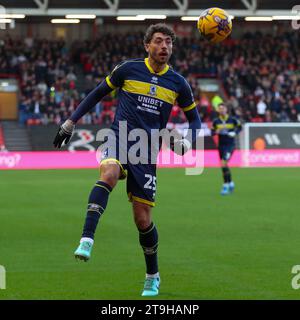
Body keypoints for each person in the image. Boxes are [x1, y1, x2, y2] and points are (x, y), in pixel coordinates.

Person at [53, 23, 201, 297]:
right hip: (119, 138)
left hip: (146, 152)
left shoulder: (178, 83)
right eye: (158, 41)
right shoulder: (128, 69)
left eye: (168, 42)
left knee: (142, 220)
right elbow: (97, 93)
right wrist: (71, 121)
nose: (164, 47)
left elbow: (195, 119)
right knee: (108, 174)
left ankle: (152, 275)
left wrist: (188, 142)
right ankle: (87, 239)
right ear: (147, 45)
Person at [211, 103, 242, 195]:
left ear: (226, 109)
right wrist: (215, 131)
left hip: (230, 145)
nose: (222, 110)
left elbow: (240, 127)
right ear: (218, 111)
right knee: (224, 165)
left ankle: (225, 186)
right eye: (220, 109)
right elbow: (212, 132)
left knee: (224, 163)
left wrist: (234, 133)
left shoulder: (232, 120)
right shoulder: (216, 121)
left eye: (223, 108)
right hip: (221, 146)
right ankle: (231, 182)